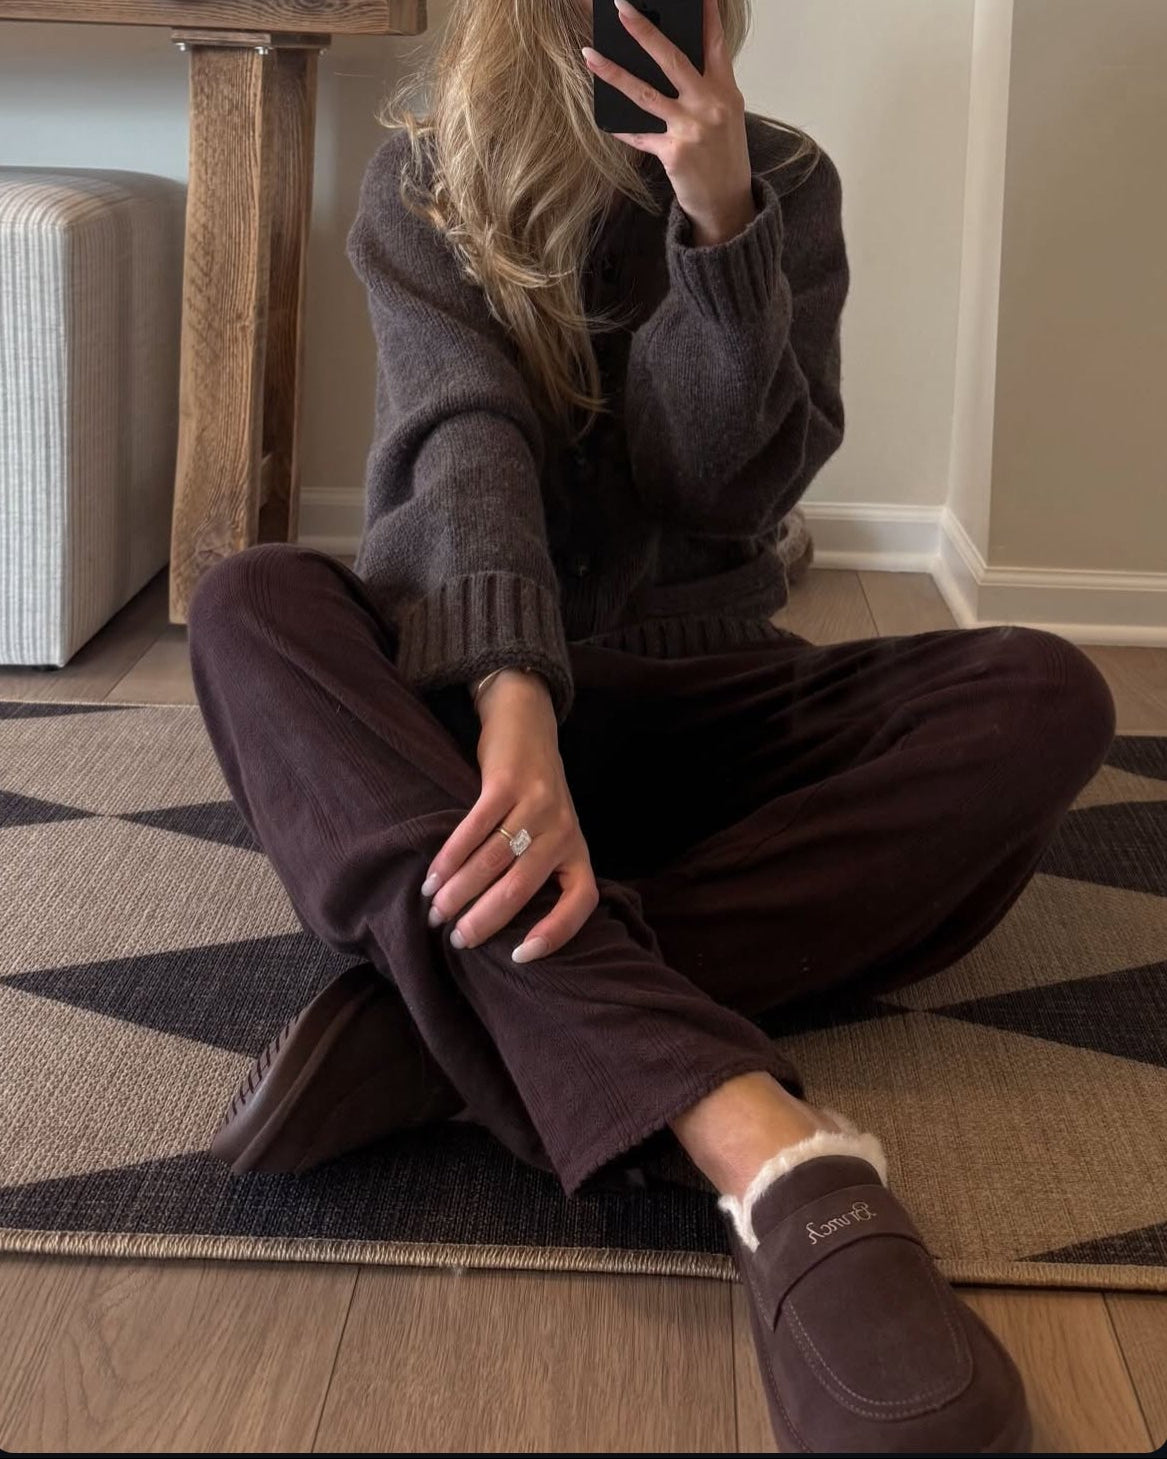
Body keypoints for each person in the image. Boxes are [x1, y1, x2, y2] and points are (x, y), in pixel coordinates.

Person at [186, 1, 1115, 1450]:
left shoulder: (785, 183)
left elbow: (719, 500)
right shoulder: (424, 173)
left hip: (699, 698)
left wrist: (721, 227)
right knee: (253, 607)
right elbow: (463, 442)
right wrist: (513, 700)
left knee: (1046, 697)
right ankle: (763, 1143)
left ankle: (440, 1021)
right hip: (482, 726)